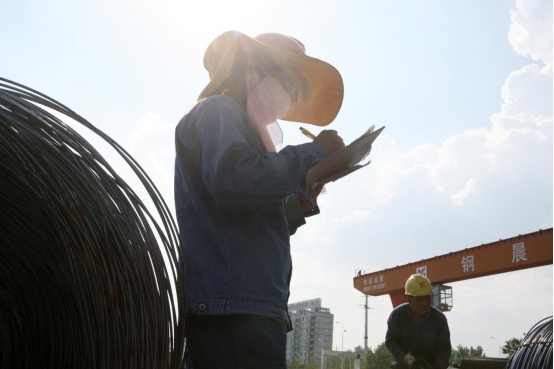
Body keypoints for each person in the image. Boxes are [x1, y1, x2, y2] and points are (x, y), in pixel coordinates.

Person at [174, 31, 345, 369]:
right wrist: (315, 152)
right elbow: (235, 180)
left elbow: (249, 215)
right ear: (254, 66)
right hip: (234, 307)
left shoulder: (243, 129)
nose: (290, 96)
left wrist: (299, 207)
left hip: (245, 304)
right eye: (289, 82)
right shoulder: (220, 110)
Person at [385, 274, 452, 369]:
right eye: (419, 299)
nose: (425, 303)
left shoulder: (439, 319)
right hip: (406, 366)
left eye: (427, 298)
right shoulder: (397, 316)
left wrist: (440, 362)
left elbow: (444, 347)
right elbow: (390, 341)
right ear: (408, 299)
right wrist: (404, 357)